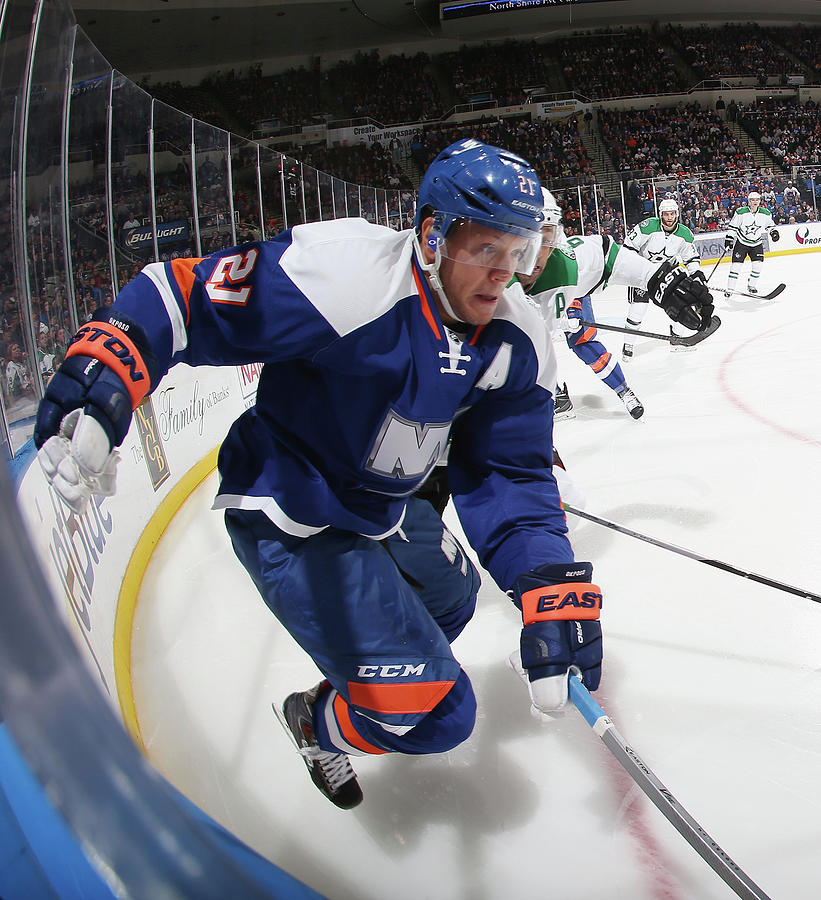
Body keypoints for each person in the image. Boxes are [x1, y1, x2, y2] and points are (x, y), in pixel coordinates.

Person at [33, 139, 711, 811]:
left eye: (518, 252)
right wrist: (109, 370)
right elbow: (181, 299)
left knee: (451, 599)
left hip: (385, 505)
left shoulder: (516, 338)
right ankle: (315, 722)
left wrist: (545, 579)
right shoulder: (348, 277)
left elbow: (508, 475)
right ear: (429, 236)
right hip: (293, 511)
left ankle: (370, 679)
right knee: (441, 713)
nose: (505, 274)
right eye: (485, 250)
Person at [511, 189, 713, 420]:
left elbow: (608, 253)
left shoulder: (567, 264)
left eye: (544, 238)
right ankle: (554, 395)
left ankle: (623, 391)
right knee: (524, 355)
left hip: (570, 296)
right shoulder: (482, 288)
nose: (533, 254)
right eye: (521, 238)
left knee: (583, 342)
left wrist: (657, 277)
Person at [622, 197, 703, 359]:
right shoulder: (647, 227)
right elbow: (628, 247)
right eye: (666, 214)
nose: (669, 218)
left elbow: (691, 258)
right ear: (661, 215)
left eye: (672, 214)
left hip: (666, 275)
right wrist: (635, 267)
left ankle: (677, 339)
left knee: (681, 304)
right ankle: (628, 344)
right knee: (638, 309)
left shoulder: (684, 234)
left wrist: (697, 275)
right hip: (642, 275)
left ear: (677, 214)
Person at [723, 191, 776, 296]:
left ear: (760, 201)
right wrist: (729, 238)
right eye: (752, 200)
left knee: (758, 266)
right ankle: (730, 289)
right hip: (742, 243)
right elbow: (733, 227)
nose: (755, 202)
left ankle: (751, 285)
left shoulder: (765, 213)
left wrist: (774, 232)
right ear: (749, 201)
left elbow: (770, 225)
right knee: (736, 267)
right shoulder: (741, 212)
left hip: (757, 244)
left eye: (757, 200)